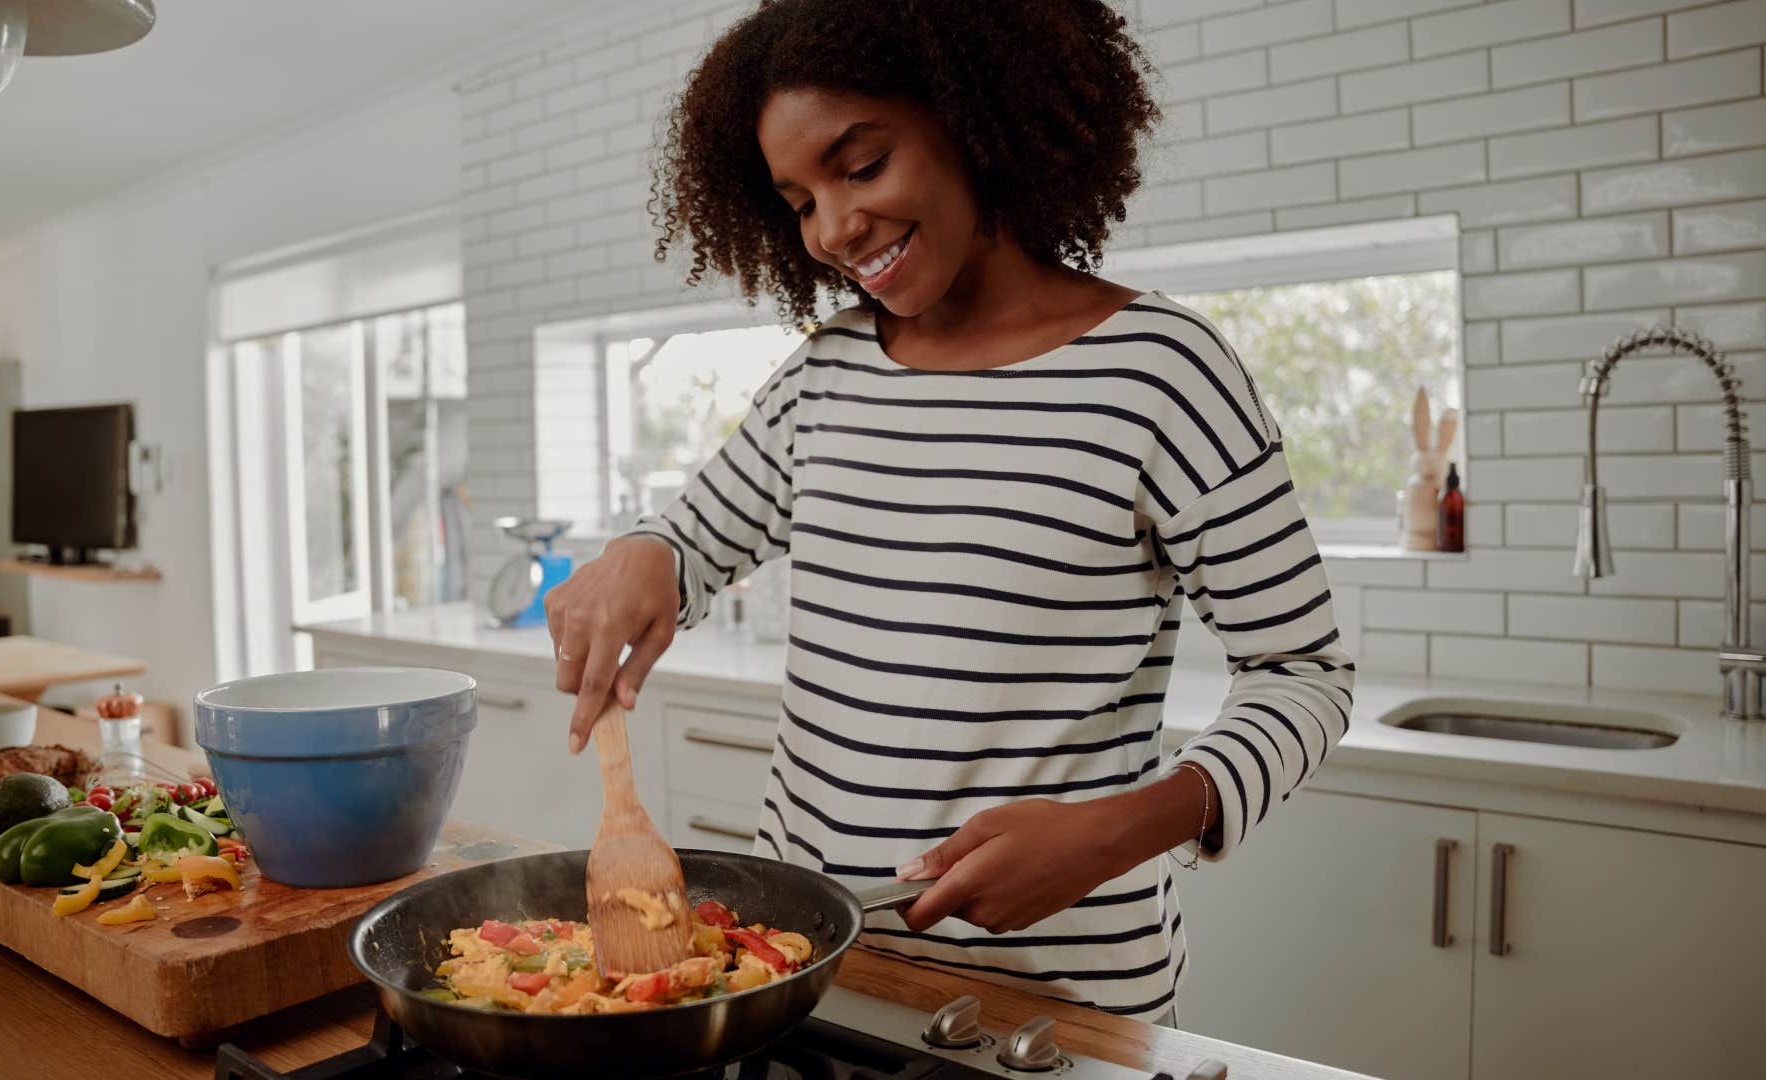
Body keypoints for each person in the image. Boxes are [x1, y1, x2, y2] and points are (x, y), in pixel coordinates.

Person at [543, 0, 1353, 1024]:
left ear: (974, 122)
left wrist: (1116, 831)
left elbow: (1304, 676)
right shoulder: (827, 375)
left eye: (863, 165)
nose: (834, 230)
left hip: (1065, 1006)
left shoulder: (1163, 374)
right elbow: (693, 541)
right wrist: (643, 553)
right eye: (799, 202)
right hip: (813, 975)